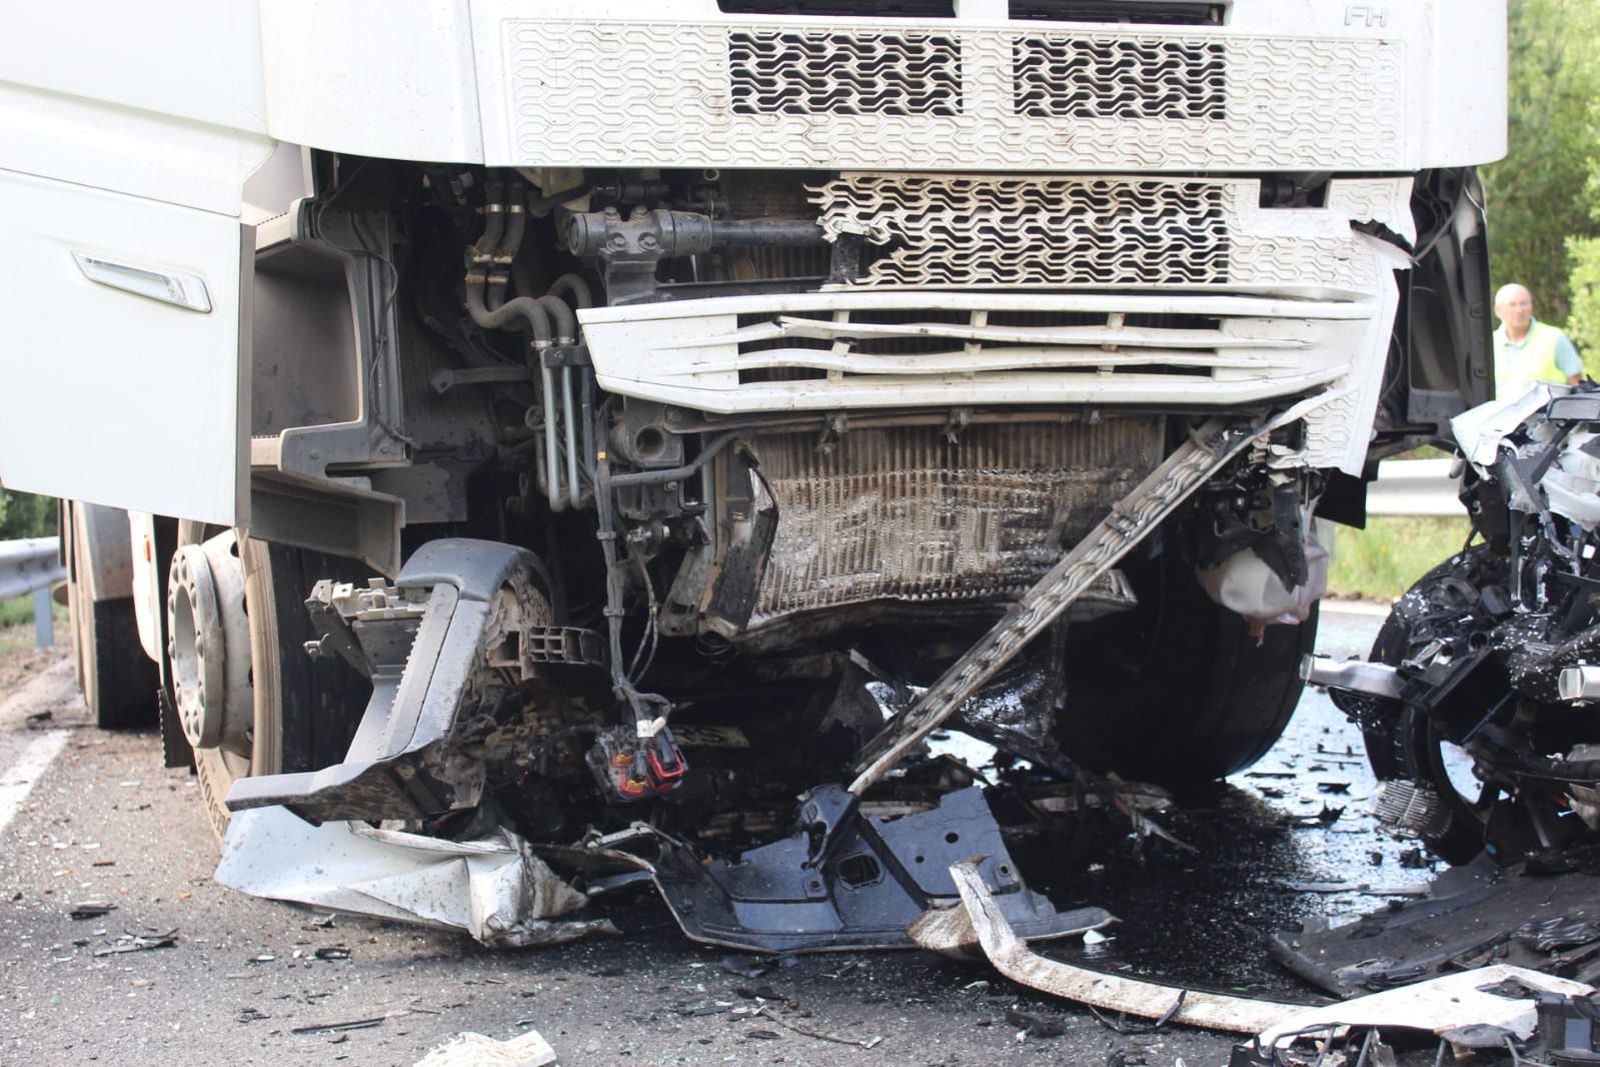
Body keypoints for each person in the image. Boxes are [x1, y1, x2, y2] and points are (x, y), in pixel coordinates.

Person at [1494, 282, 1583, 396]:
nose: (1519, 310)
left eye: (1524, 303)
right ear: (1498, 310)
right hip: (1502, 414)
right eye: (1512, 305)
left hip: (1550, 413)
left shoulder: (1554, 338)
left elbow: (1577, 383)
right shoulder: (1490, 344)